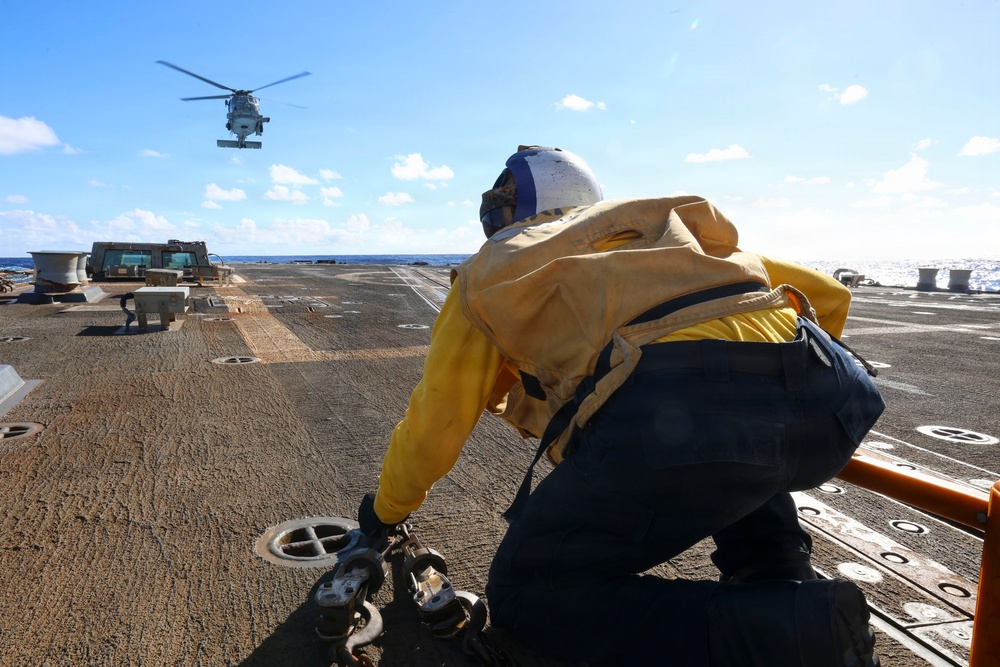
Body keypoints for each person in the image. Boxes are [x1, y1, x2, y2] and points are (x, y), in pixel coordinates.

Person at [358, 145, 885, 666]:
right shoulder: (662, 227)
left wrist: (387, 511)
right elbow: (828, 294)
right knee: (742, 448)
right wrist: (784, 389)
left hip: (689, 415)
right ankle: (781, 582)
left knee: (529, 595)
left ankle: (809, 636)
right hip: (833, 398)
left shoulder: (495, 267)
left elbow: (437, 421)